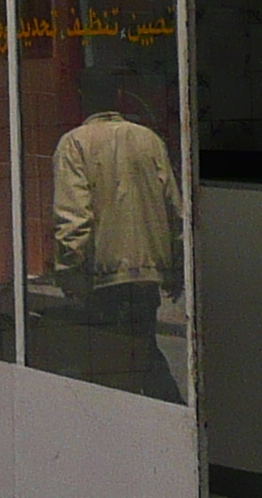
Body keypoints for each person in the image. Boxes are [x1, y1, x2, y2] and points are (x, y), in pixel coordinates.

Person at [49, 71, 182, 402]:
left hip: (103, 279)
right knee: (140, 353)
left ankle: (166, 415)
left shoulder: (75, 144)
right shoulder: (149, 140)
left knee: (118, 364)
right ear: (119, 96)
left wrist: (70, 273)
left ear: (82, 98)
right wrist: (176, 268)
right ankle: (166, 415)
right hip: (147, 275)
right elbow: (175, 212)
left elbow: (74, 221)